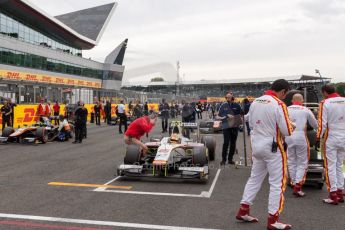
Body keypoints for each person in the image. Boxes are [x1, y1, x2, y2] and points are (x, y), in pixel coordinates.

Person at [236, 79, 294, 230]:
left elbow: (247, 119)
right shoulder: (279, 104)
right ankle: (273, 220)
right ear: (283, 91)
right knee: (277, 183)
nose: (284, 97)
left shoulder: (256, 101)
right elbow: (287, 131)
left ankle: (243, 210)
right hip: (272, 147)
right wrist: (292, 125)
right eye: (285, 94)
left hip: (256, 144)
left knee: (254, 178)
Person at [317, 84, 345, 205]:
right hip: (343, 135)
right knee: (339, 165)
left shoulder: (325, 103)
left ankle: (333, 194)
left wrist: (318, 137)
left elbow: (322, 123)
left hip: (332, 136)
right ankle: (340, 191)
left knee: (330, 166)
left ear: (324, 92)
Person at [285, 94, 318, 197]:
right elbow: (315, 124)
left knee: (291, 160)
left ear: (292, 100)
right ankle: (298, 185)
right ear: (302, 100)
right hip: (300, 136)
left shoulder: (286, 108)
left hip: (288, 136)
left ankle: (294, 182)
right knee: (302, 161)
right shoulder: (305, 109)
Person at [217, 92, 242, 165]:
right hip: (226, 126)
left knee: (233, 143)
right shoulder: (223, 105)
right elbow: (217, 116)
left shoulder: (237, 105)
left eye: (229, 97)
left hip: (234, 126)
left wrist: (238, 118)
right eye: (226, 97)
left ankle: (230, 159)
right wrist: (225, 116)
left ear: (232, 97)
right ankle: (223, 160)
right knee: (226, 143)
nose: (228, 99)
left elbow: (241, 115)